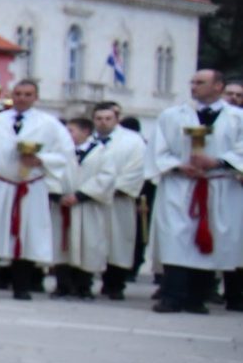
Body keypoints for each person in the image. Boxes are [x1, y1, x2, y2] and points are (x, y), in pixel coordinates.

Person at [0, 79, 73, 301]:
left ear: (36, 97)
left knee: (27, 235)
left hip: (29, 186)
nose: (22, 98)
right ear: (12, 95)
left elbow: (66, 154)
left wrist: (40, 159)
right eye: (18, 93)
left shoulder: (49, 124)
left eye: (28, 94)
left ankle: (22, 286)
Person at [146, 68, 242, 315]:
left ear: (218, 86)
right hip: (180, 185)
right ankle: (172, 295)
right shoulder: (171, 115)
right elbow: (158, 150)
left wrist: (219, 162)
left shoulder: (237, 118)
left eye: (200, 82)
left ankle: (197, 298)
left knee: (210, 239)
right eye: (193, 82)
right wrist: (179, 165)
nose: (194, 86)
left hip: (217, 184)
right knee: (175, 238)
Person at [90, 101, 148, 299]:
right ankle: (83, 281)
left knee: (118, 242)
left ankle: (115, 284)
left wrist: (111, 188)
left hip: (118, 199)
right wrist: (90, 190)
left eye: (108, 119)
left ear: (116, 119)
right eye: (99, 119)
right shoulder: (87, 138)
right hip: (90, 200)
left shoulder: (133, 141)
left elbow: (137, 168)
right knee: (89, 240)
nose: (103, 123)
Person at [56, 119, 109, 299]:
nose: (67, 134)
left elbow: (106, 176)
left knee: (88, 245)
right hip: (63, 206)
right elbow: (51, 174)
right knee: (63, 246)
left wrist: (80, 195)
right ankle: (63, 285)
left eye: (71, 130)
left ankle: (83, 286)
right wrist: (59, 195)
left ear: (85, 131)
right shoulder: (60, 152)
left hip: (88, 205)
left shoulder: (101, 152)